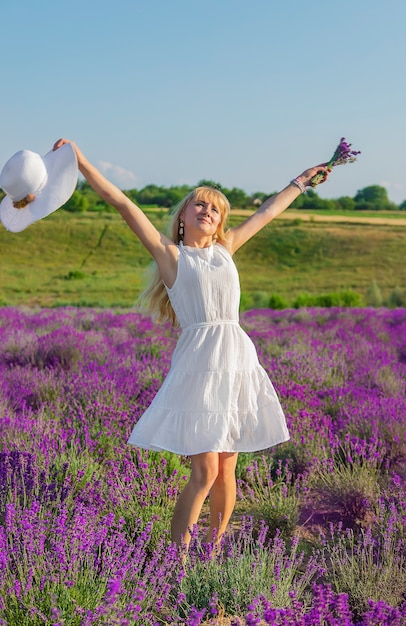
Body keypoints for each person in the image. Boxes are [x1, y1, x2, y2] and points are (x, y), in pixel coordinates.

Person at [53, 138, 329, 551]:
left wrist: (302, 181)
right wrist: (80, 162)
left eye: (215, 208)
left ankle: (213, 551)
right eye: (199, 204)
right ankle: (176, 562)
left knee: (226, 470)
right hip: (201, 362)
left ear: (220, 223)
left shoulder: (226, 248)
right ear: (183, 215)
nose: (208, 211)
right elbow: (124, 205)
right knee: (203, 472)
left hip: (237, 358)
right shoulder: (171, 256)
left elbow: (269, 210)